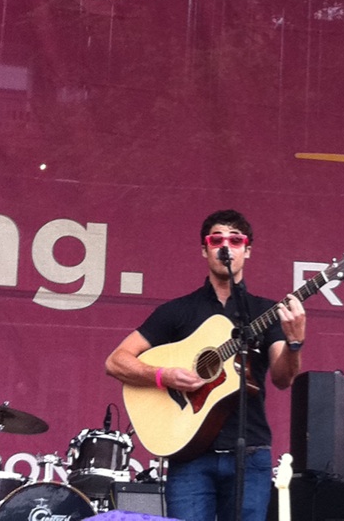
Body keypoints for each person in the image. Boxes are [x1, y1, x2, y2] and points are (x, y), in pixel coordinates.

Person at [105, 209, 306, 521]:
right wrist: (163, 376)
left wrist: (294, 343)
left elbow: (283, 378)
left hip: (250, 454)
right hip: (190, 456)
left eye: (235, 240)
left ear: (247, 250)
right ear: (205, 249)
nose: (226, 246)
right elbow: (116, 361)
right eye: (217, 240)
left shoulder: (266, 311)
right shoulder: (178, 311)